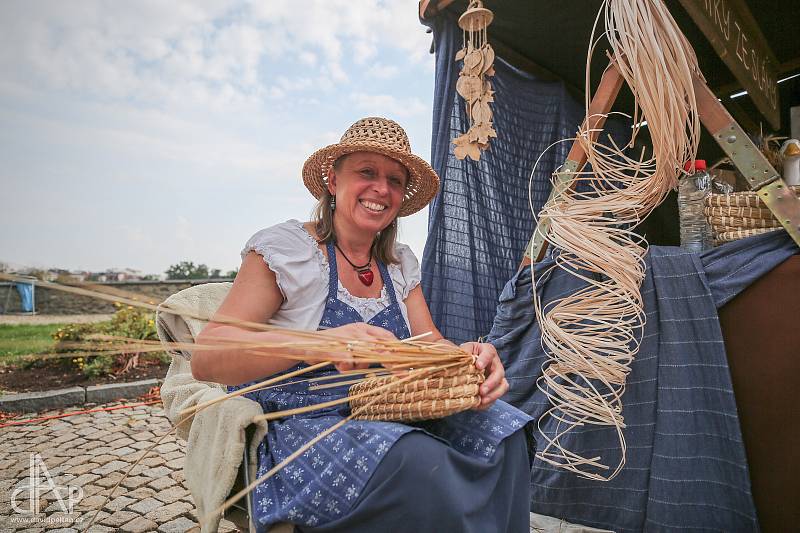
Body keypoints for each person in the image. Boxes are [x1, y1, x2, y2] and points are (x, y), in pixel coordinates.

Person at [191, 117, 532, 532]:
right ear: (333, 182)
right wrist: (319, 344)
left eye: (394, 179)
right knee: (421, 465)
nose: (381, 189)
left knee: (505, 433)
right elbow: (208, 356)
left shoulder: (399, 264)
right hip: (304, 428)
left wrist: (470, 356)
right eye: (366, 172)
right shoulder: (289, 251)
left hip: (388, 413)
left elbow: (430, 343)